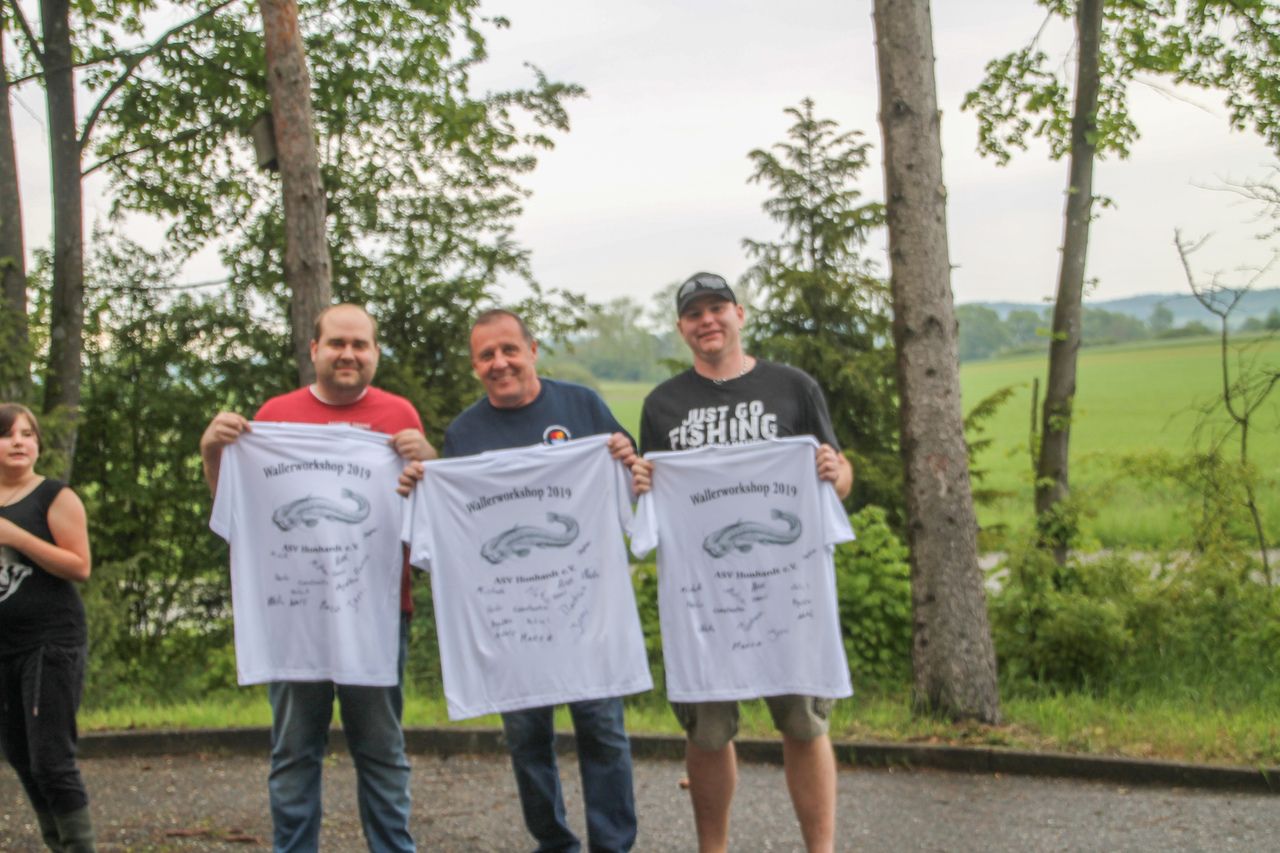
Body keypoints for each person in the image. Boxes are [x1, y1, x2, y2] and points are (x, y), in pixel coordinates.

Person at [401, 308, 640, 853]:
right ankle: (554, 842)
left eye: (509, 349)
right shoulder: (465, 432)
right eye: (486, 355)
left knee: (603, 733)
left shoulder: (581, 406)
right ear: (474, 366)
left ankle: (613, 845)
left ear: (532, 350)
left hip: (584, 608)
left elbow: (635, 483)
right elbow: (456, 525)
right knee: (527, 740)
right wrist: (425, 484)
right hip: (512, 619)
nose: (499, 362)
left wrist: (629, 460)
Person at [199, 304, 436, 853]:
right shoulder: (274, 416)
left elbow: (426, 520)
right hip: (293, 618)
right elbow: (239, 517)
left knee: (382, 753)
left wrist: (429, 460)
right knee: (293, 753)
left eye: (360, 344)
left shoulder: (399, 414)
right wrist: (213, 453)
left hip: (377, 616)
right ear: (314, 350)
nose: (348, 354)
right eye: (337, 343)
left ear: (375, 352)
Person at [632, 272, 853, 853]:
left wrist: (836, 474)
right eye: (694, 313)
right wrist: (643, 483)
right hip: (705, 598)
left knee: (804, 725)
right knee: (707, 734)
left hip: (789, 590)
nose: (707, 320)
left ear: (740, 315)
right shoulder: (662, 405)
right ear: (681, 327)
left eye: (717, 308)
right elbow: (652, 495)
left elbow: (838, 475)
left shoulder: (793, 387)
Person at [0, 403, 96, 852]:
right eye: (7, 434)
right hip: (4, 647)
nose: (19, 442)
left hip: (50, 642)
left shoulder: (54, 496)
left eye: (27, 434)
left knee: (50, 760)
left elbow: (80, 566)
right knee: (20, 757)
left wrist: (16, 537)